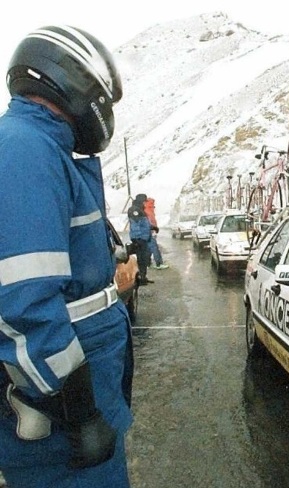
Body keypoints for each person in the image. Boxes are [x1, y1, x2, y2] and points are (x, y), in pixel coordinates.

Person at [0, 26, 133, 487]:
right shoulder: (24, 149)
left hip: (78, 396)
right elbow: (20, 300)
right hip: (61, 415)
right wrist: (78, 410)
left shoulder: (41, 146)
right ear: (80, 82)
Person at [127, 194, 154, 285]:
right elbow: (135, 225)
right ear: (141, 201)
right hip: (139, 239)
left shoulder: (140, 209)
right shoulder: (135, 210)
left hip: (143, 239)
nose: (145, 203)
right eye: (144, 201)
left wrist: (152, 227)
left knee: (145, 258)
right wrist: (137, 239)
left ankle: (143, 276)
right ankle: (140, 278)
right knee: (141, 259)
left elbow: (144, 223)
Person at [143, 197, 168, 270]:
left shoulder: (146, 209)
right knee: (155, 248)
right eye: (152, 203)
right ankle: (159, 263)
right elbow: (151, 222)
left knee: (149, 249)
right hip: (150, 232)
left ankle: (147, 263)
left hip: (148, 232)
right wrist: (153, 230)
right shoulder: (149, 210)